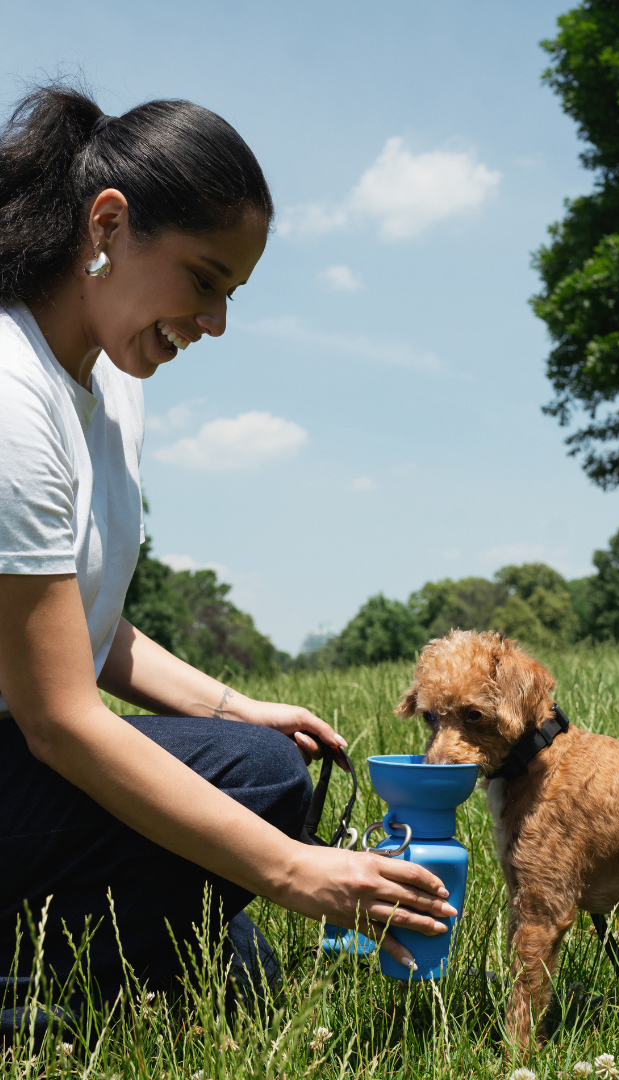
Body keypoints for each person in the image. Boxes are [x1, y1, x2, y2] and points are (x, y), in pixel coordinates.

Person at [0, 85, 454, 1023]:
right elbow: (56, 718)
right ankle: (25, 980)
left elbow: (79, 618)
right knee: (259, 783)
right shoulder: (11, 398)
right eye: (203, 280)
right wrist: (294, 874)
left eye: (231, 294)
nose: (214, 324)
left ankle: (86, 964)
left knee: (240, 947)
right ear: (109, 225)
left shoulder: (109, 382)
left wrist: (233, 705)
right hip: (25, 750)